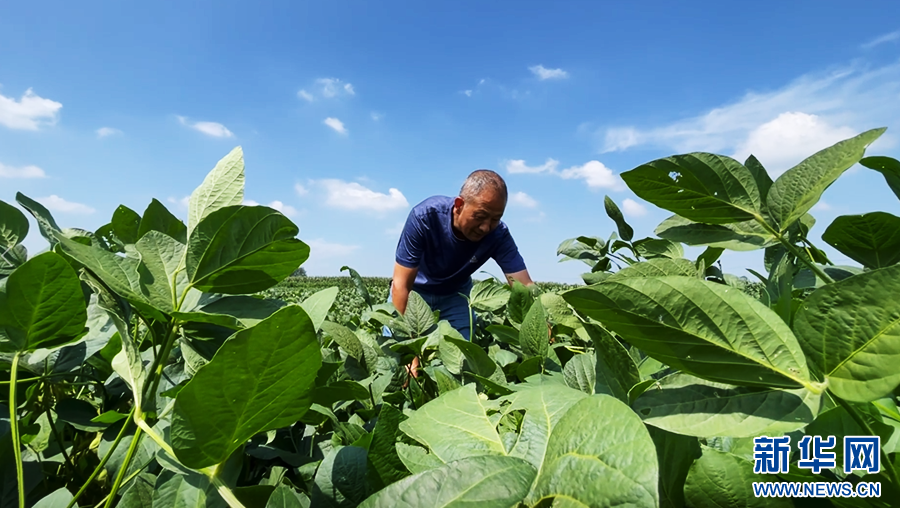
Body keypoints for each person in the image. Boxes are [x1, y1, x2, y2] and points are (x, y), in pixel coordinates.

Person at [388, 169, 536, 344]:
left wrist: (542, 325)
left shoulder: (498, 234)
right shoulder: (425, 217)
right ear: (459, 205)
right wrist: (409, 348)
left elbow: (523, 285)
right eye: (480, 216)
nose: (486, 227)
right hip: (415, 292)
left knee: (460, 359)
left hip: (455, 295)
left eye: (495, 219)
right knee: (395, 354)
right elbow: (401, 285)